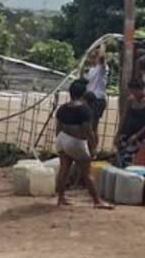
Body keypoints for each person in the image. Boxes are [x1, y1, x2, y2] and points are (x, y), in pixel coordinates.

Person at [55, 80, 110, 208]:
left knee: (63, 170)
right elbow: (88, 131)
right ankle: (97, 201)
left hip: (62, 139)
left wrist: (61, 140)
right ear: (84, 93)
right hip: (76, 142)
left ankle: (61, 198)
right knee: (87, 172)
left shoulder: (62, 108)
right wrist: (93, 147)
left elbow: (58, 128)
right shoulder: (85, 109)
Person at [115, 78, 145, 168]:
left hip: (140, 135)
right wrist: (118, 134)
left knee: (134, 159)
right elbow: (124, 117)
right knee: (122, 157)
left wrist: (137, 135)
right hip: (127, 132)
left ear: (141, 89)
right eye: (131, 92)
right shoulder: (130, 100)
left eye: (135, 91)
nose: (133, 94)